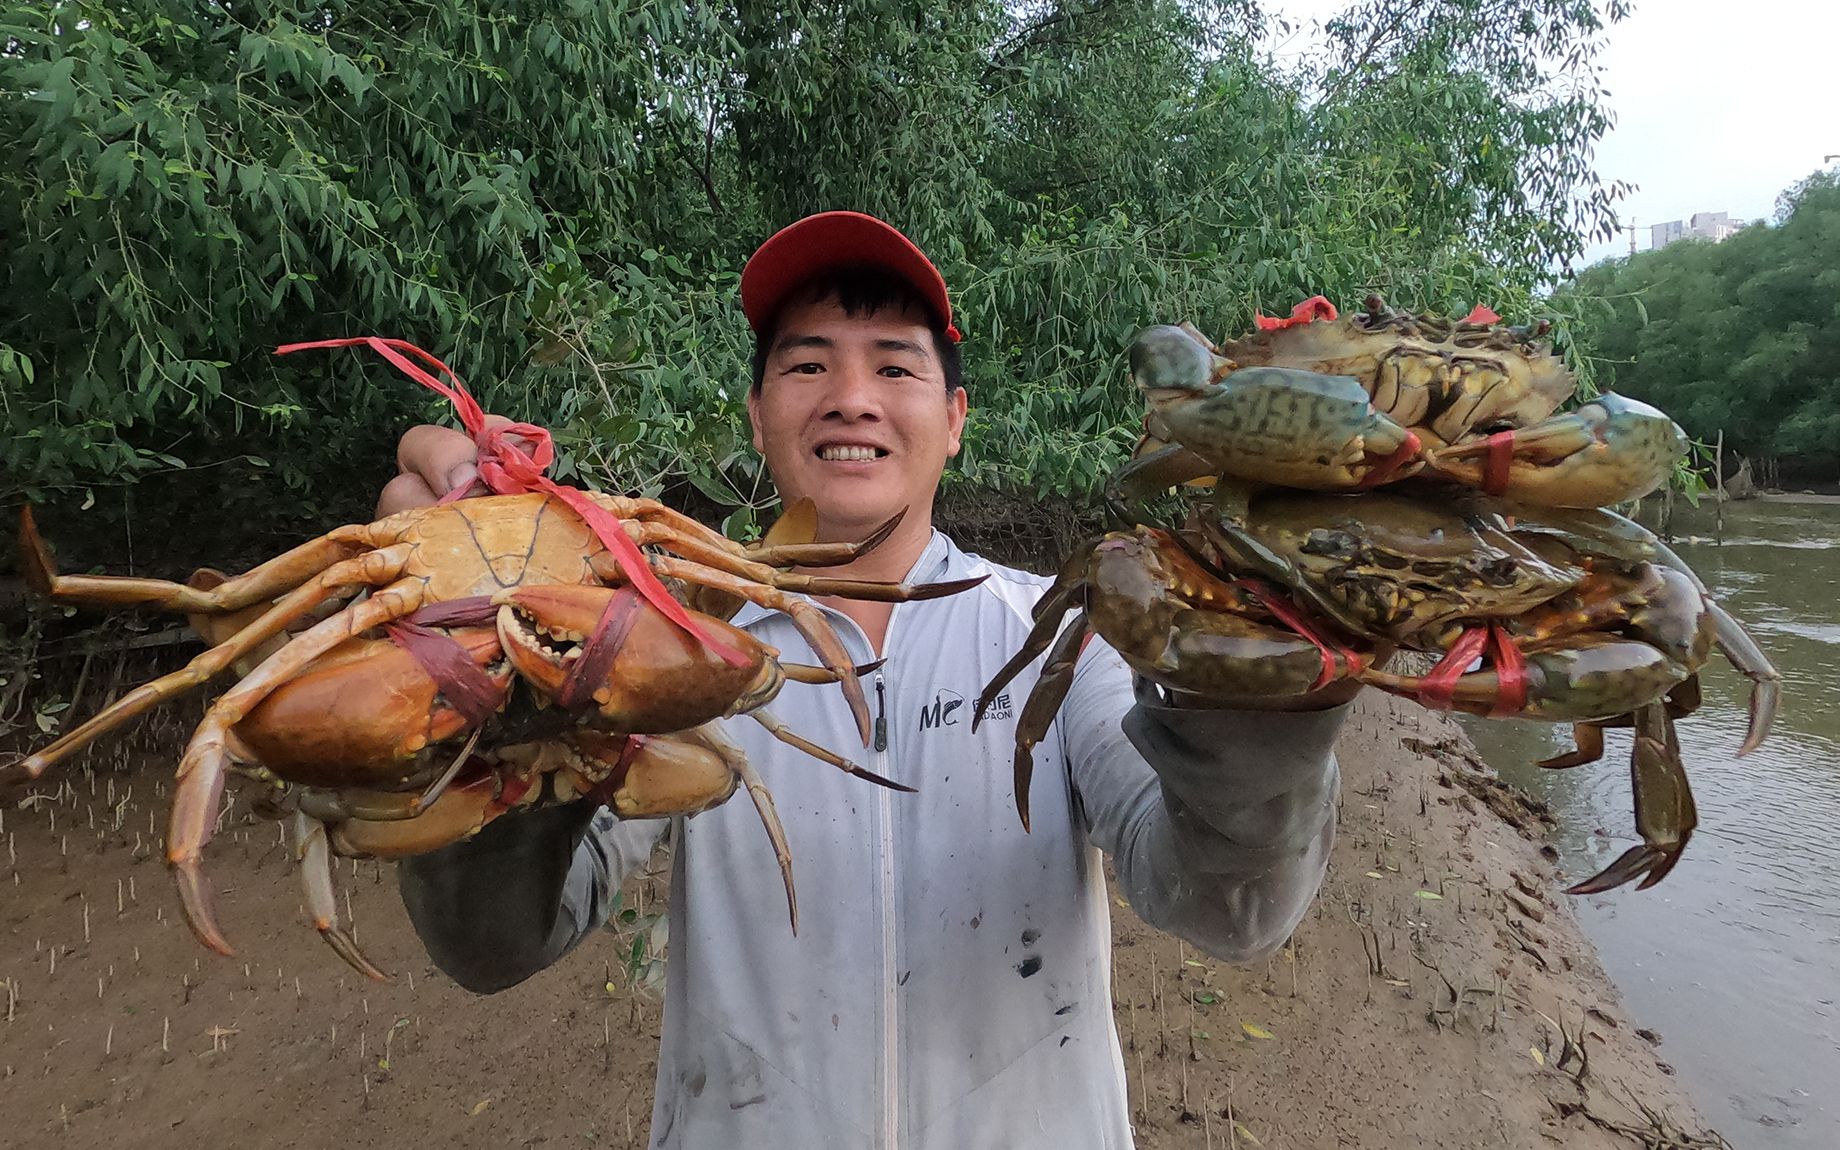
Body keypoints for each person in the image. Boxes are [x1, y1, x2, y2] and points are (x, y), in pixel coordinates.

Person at [384, 212, 1357, 1148]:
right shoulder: (669, 656)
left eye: (895, 364)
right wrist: (483, 708)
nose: (851, 395)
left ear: (957, 419)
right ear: (759, 417)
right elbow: (494, 942)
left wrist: (1259, 708)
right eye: (807, 363)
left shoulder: (1063, 635)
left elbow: (1232, 907)